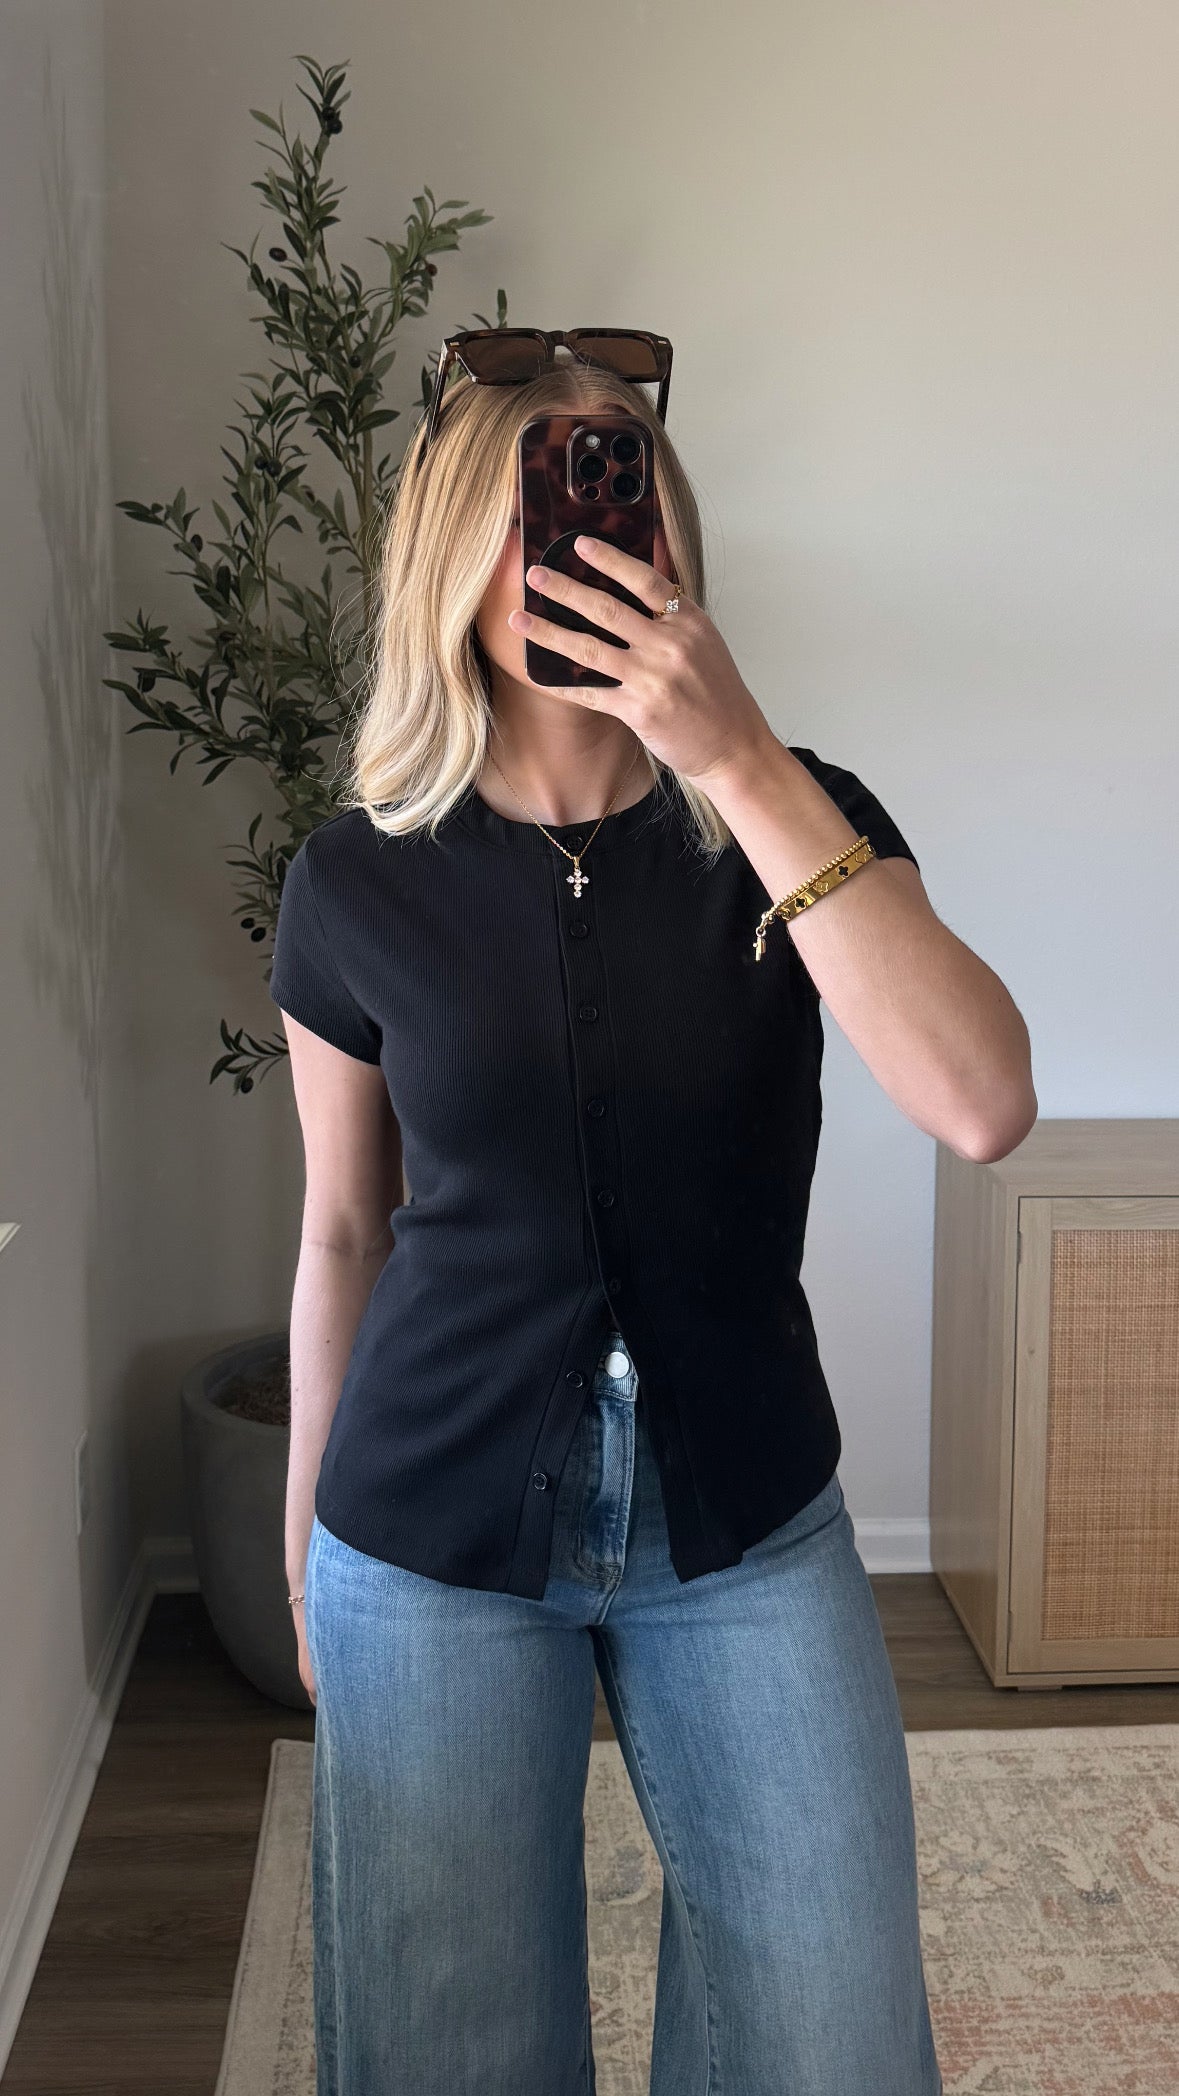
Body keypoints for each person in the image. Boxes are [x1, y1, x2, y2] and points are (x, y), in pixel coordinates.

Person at [269, 342, 1036, 2095]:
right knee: (449, 2058)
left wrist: (741, 759)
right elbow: (342, 1231)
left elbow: (983, 1104)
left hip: (746, 1516)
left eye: (621, 484)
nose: (586, 530)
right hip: (431, 1537)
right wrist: (303, 1542)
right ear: (454, 551)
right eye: (539, 497)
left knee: (836, 2043)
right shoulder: (356, 877)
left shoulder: (798, 815)